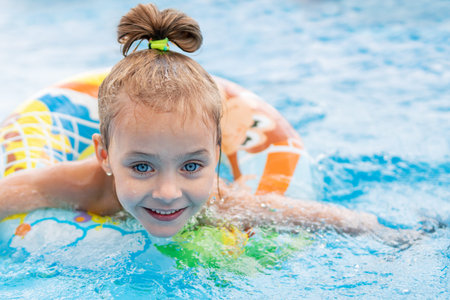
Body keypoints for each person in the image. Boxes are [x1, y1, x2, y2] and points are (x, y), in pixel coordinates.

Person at [0, 3, 417, 244]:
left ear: (218, 155)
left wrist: (387, 233)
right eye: (141, 166)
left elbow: (320, 217)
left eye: (192, 165)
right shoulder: (77, 185)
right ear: (105, 155)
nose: (167, 192)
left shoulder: (221, 201)